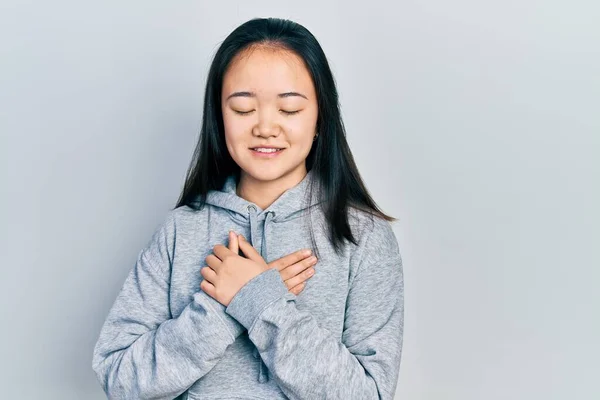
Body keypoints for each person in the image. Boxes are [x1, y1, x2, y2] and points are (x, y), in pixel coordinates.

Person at [92, 17, 404, 400]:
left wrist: (260, 300)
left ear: (320, 118)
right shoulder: (181, 230)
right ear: (219, 116)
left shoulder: (363, 238)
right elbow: (119, 379)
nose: (265, 127)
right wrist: (219, 309)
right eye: (242, 109)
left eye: (289, 110)